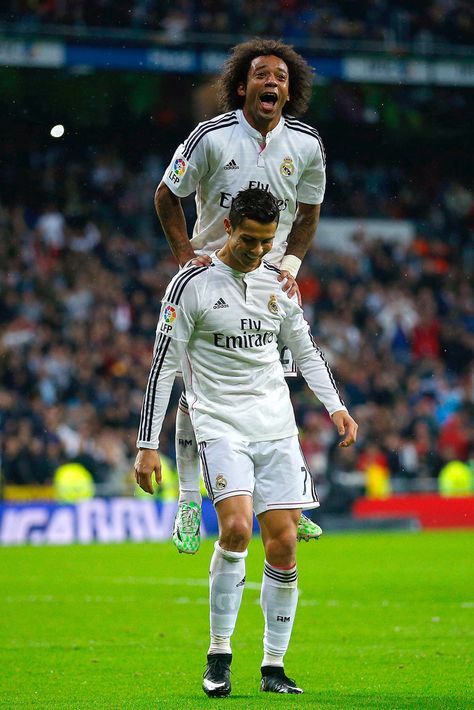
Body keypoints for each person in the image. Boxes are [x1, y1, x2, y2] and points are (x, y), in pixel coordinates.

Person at [135, 188, 358, 696]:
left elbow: (305, 349)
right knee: (236, 529)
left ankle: (274, 667)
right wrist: (147, 442)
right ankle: (219, 654)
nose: (258, 250)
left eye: (267, 241)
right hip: (218, 424)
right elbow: (163, 365)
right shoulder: (189, 283)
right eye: (250, 240)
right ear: (230, 227)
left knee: (282, 542)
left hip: (275, 426)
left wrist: (337, 406)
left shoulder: (279, 285)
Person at [155, 38, 327, 553]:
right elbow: (167, 194)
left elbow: (310, 210)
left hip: (268, 285)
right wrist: (187, 255)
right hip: (210, 278)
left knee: (276, 382)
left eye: (280, 77)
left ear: (289, 90)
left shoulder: (307, 145)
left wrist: (291, 264)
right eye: (261, 75)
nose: (271, 82)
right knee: (196, 390)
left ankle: (291, 494)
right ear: (241, 86)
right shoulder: (210, 136)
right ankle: (189, 497)